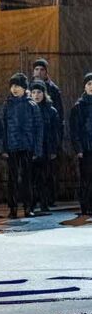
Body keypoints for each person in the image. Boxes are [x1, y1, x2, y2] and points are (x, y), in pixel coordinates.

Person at [0, 73, 43, 219]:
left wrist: (37, 149)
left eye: (17, 86)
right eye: (12, 86)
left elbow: (38, 129)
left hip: (27, 146)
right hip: (12, 147)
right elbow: (2, 128)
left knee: (27, 178)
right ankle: (12, 208)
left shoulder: (32, 105)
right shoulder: (7, 105)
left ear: (24, 88)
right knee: (12, 180)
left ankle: (28, 207)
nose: (14, 89)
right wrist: (3, 148)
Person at [32, 58, 63, 207]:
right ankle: (34, 199)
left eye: (41, 69)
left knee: (48, 172)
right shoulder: (28, 89)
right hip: (32, 142)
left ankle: (48, 198)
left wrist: (57, 142)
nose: (38, 72)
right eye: (36, 69)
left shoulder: (53, 90)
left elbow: (58, 118)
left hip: (47, 139)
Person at [29, 80, 60, 213]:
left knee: (45, 177)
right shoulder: (28, 108)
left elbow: (55, 131)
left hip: (46, 147)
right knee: (31, 177)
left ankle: (44, 203)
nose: (36, 95)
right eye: (34, 92)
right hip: (31, 148)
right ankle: (31, 203)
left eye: (39, 92)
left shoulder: (51, 110)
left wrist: (53, 149)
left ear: (44, 93)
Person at [70, 73, 92, 215]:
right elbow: (75, 129)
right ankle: (86, 206)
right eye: (89, 83)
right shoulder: (79, 106)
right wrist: (78, 148)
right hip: (86, 148)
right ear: (85, 86)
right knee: (87, 178)